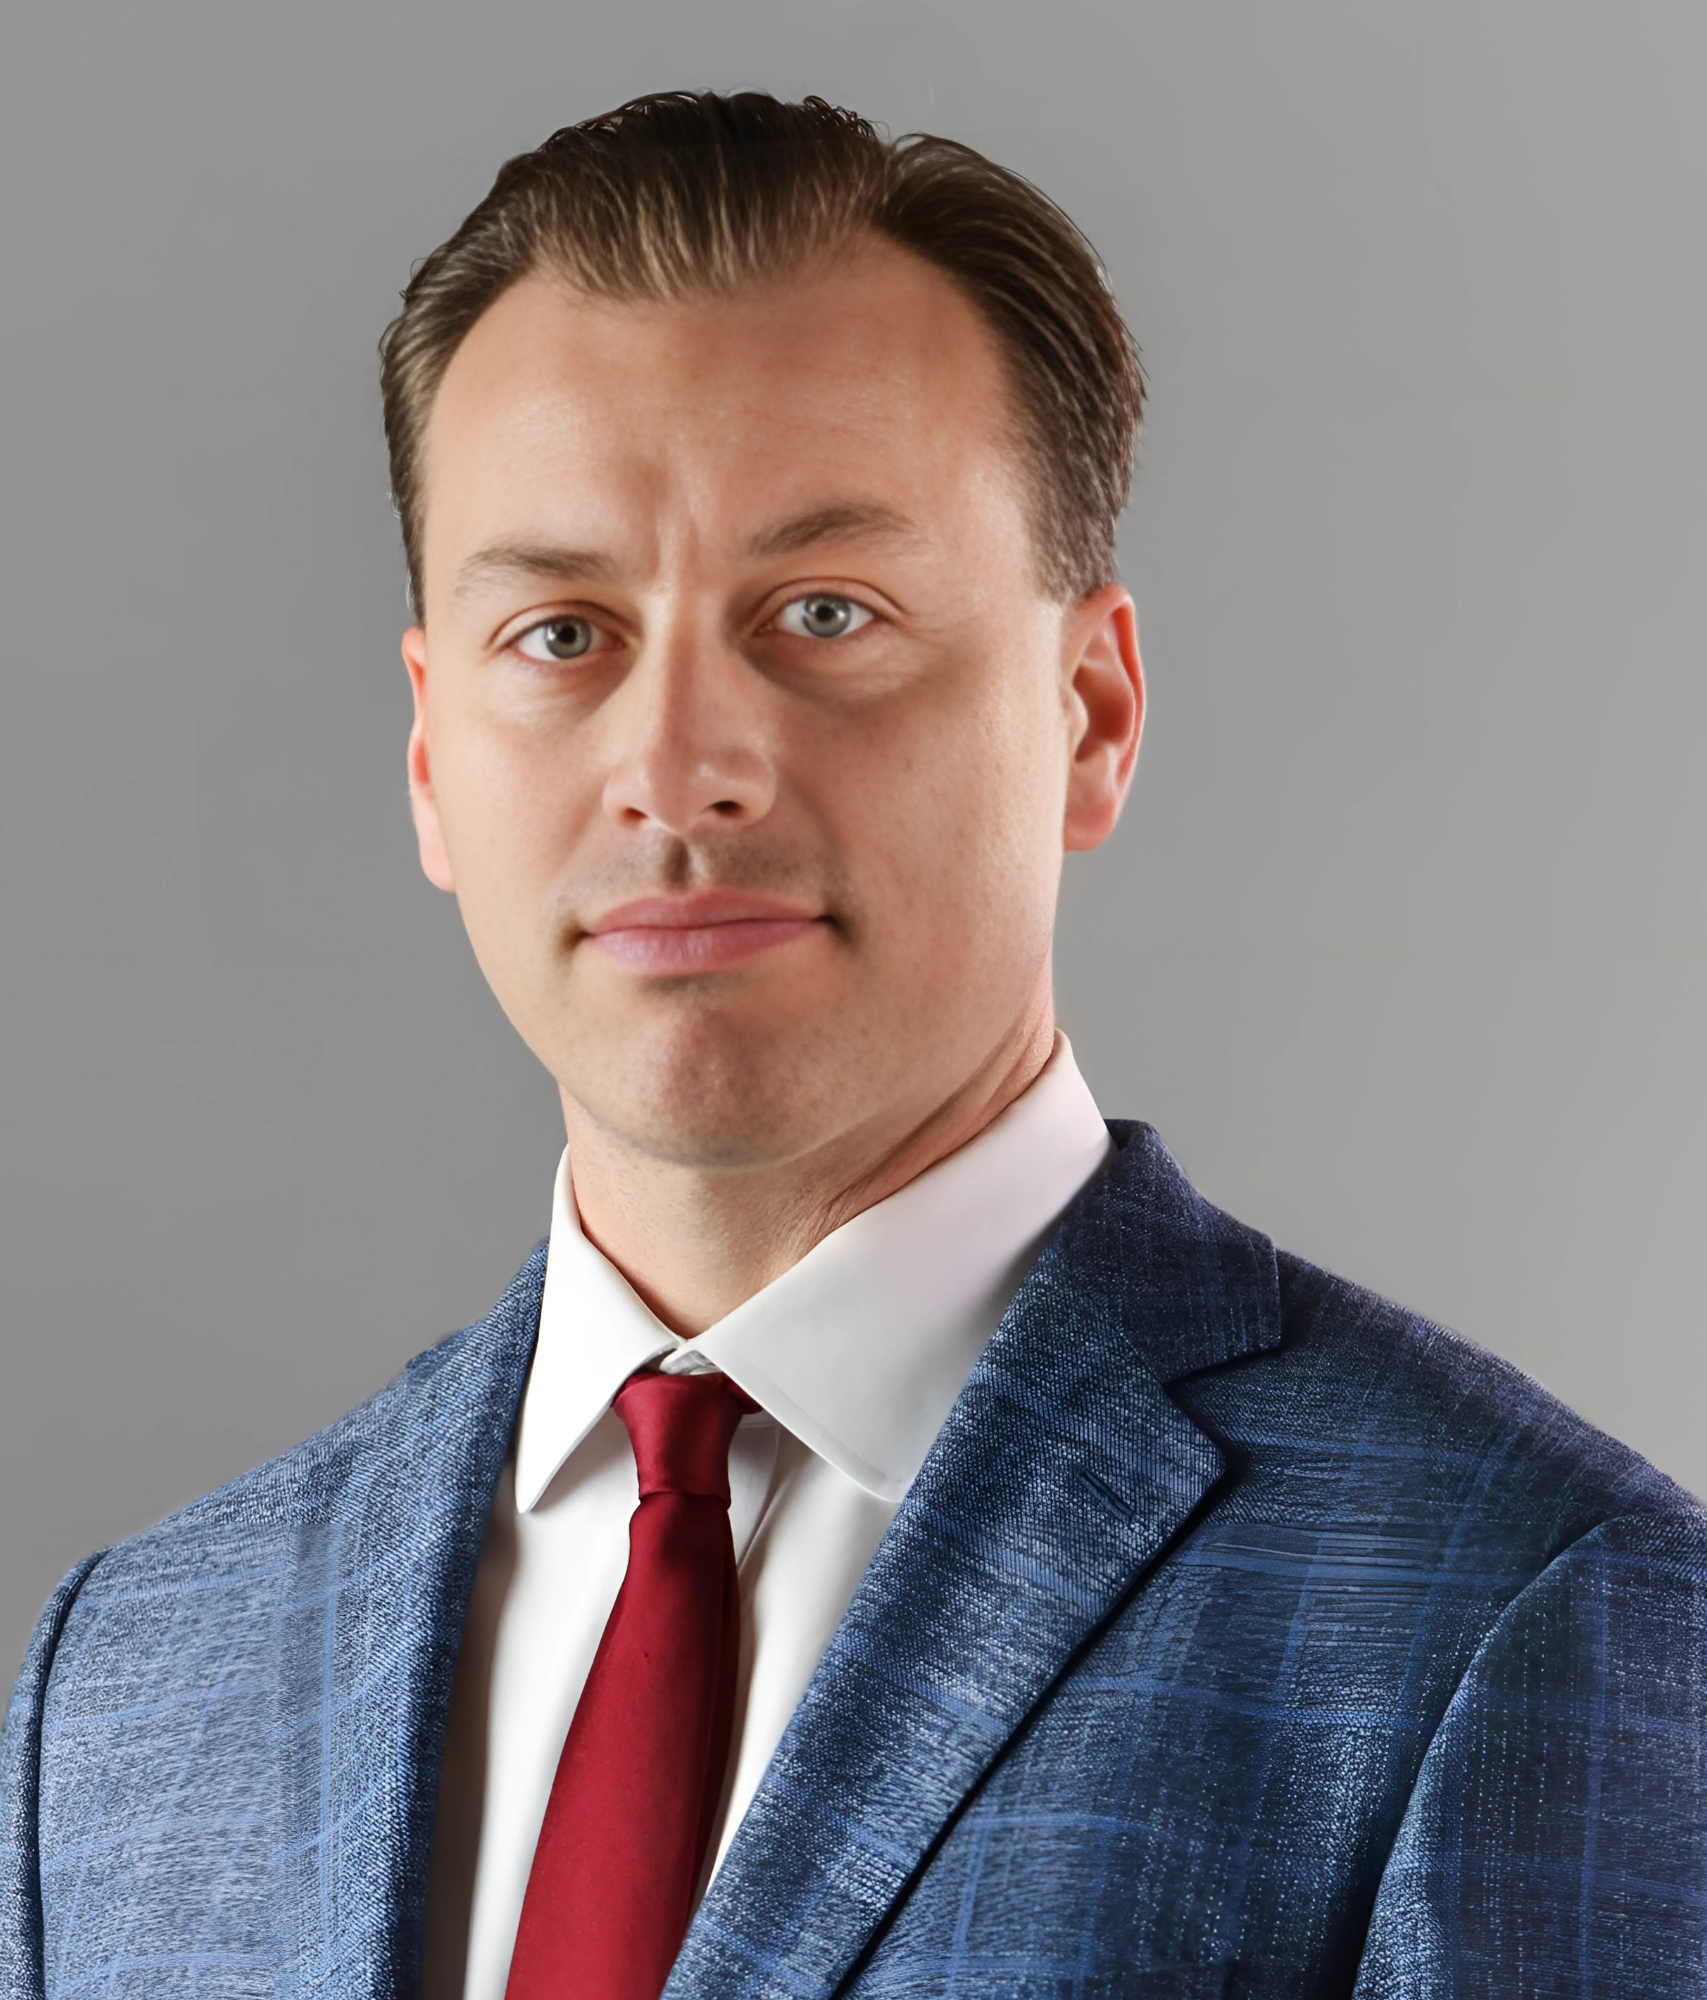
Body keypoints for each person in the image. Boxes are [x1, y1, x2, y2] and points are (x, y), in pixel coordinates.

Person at [3, 88, 1704, 2000]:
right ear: (426, 755)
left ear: (1090, 713)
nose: (674, 771)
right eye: (559, 634)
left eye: (825, 612)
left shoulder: (1521, 1615)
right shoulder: (135, 1683)